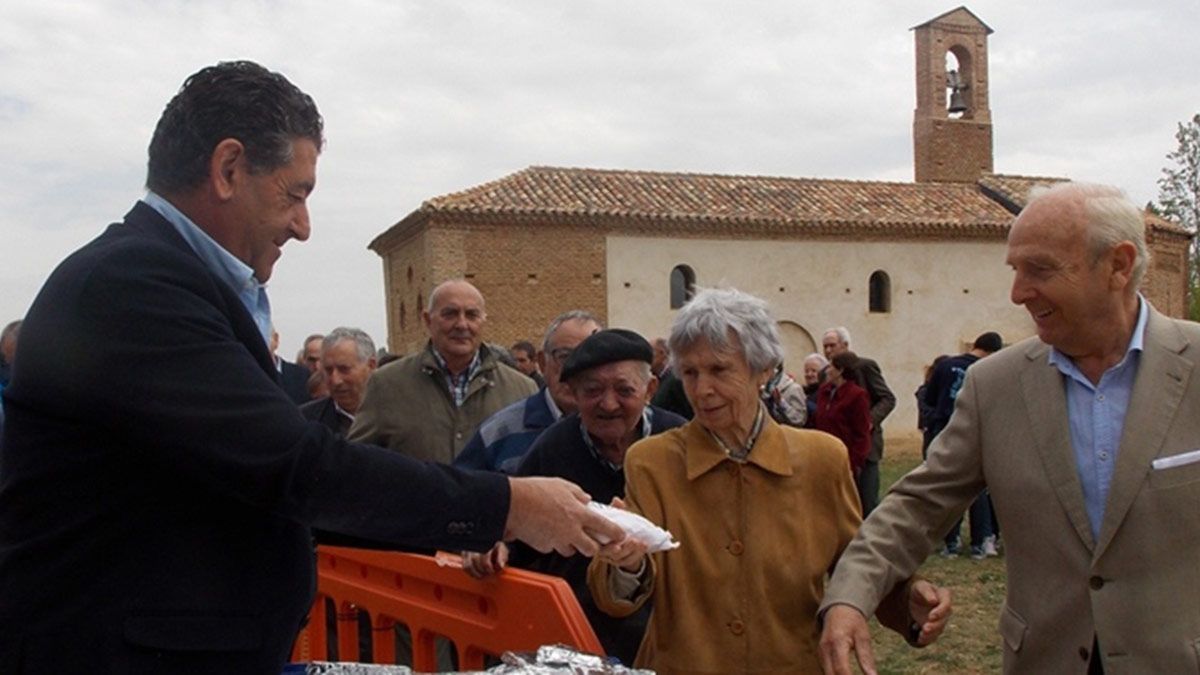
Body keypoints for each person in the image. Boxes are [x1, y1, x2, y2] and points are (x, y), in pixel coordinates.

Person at [0, 61, 624, 674]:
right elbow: (295, 466)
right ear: (228, 168)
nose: (302, 226)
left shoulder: (156, 278)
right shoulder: (133, 286)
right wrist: (509, 504)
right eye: (294, 194)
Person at [819, 182, 1200, 674]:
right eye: (1015, 271)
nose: (1018, 293)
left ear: (1119, 266)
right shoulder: (994, 386)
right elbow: (915, 506)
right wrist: (849, 597)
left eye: (1038, 269)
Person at [587, 287, 950, 674]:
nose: (702, 389)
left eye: (719, 370)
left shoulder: (821, 460)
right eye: (690, 372)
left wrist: (908, 598)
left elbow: (855, 565)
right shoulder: (651, 462)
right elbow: (620, 592)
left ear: (764, 368)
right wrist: (626, 565)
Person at [463, 329, 687, 664]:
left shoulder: (679, 442)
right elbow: (516, 526)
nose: (608, 404)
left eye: (624, 390)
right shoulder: (553, 448)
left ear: (650, 389)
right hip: (577, 637)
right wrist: (495, 541)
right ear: (573, 393)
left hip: (670, 635)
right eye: (593, 390)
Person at [349, 279, 537, 463]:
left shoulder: (522, 390)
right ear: (427, 320)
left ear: (483, 322)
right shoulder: (386, 385)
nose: (462, 324)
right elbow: (355, 462)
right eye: (450, 314)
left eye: (471, 315)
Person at [454, 310, 602, 474]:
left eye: (590, 359)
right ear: (543, 363)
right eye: (564, 357)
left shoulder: (620, 430)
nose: (576, 370)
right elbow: (462, 493)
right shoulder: (500, 430)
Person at [923, 331, 1003, 559]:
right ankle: (981, 542)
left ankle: (950, 542)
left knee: (946, 486)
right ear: (992, 352)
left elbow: (929, 398)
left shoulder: (945, 365)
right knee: (977, 488)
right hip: (977, 432)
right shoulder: (990, 370)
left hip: (945, 431)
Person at [822, 327, 895, 515]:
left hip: (865, 445)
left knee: (866, 500)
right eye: (825, 346)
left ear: (845, 345)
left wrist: (869, 421)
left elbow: (887, 398)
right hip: (836, 445)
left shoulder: (865, 366)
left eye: (832, 345)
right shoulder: (827, 373)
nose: (828, 350)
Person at [300, 327, 378, 436]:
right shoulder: (306, 420)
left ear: (371, 366)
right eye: (328, 370)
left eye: (344, 369)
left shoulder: (400, 413)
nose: (335, 380)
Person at [813, 351, 872, 477]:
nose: (827, 370)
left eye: (831, 366)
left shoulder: (857, 396)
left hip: (844, 460)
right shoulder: (824, 391)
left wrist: (852, 464)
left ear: (840, 370)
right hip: (822, 456)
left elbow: (861, 433)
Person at [801, 351, 827, 427]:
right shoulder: (804, 391)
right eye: (806, 371)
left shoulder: (826, 392)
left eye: (813, 371)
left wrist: (805, 403)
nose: (809, 374)